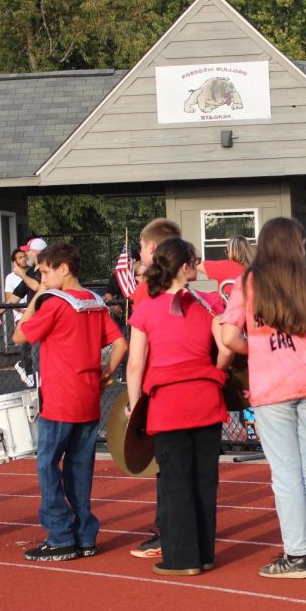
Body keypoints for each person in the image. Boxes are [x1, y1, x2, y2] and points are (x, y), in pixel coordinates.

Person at [221, 218, 306, 579]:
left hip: (271, 384)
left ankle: (296, 555)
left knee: (285, 473)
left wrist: (256, 350)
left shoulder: (248, 283)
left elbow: (229, 337)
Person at [14, 242, 127, 562]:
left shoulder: (54, 303)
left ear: (64, 268)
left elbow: (20, 335)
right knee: (80, 469)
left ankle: (61, 535)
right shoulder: (93, 302)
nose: (44, 277)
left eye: (47, 272)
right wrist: (106, 374)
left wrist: (37, 295)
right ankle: (84, 535)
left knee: (48, 466)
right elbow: (119, 343)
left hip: (60, 399)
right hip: (88, 397)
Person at [126, 238, 230, 576]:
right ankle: (205, 553)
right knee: (204, 480)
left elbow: (135, 365)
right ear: (185, 267)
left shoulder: (145, 309)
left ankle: (182, 558)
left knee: (175, 482)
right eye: (195, 261)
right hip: (206, 400)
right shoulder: (208, 305)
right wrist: (216, 372)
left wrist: (133, 406)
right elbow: (226, 348)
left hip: (168, 403)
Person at [126, 217, 183, 560]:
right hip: (191, 384)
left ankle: (168, 531)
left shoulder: (146, 292)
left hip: (158, 386)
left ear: (150, 249)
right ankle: (185, 529)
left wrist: (135, 403)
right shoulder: (189, 290)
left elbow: (138, 354)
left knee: (166, 467)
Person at [3, 248, 35, 386]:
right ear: (14, 261)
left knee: (35, 344)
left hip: (34, 313)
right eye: (20, 257)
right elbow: (10, 299)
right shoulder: (11, 277)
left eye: (24, 256)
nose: (23, 259)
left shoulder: (32, 273)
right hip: (21, 315)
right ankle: (25, 368)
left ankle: (32, 371)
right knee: (27, 343)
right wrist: (23, 312)